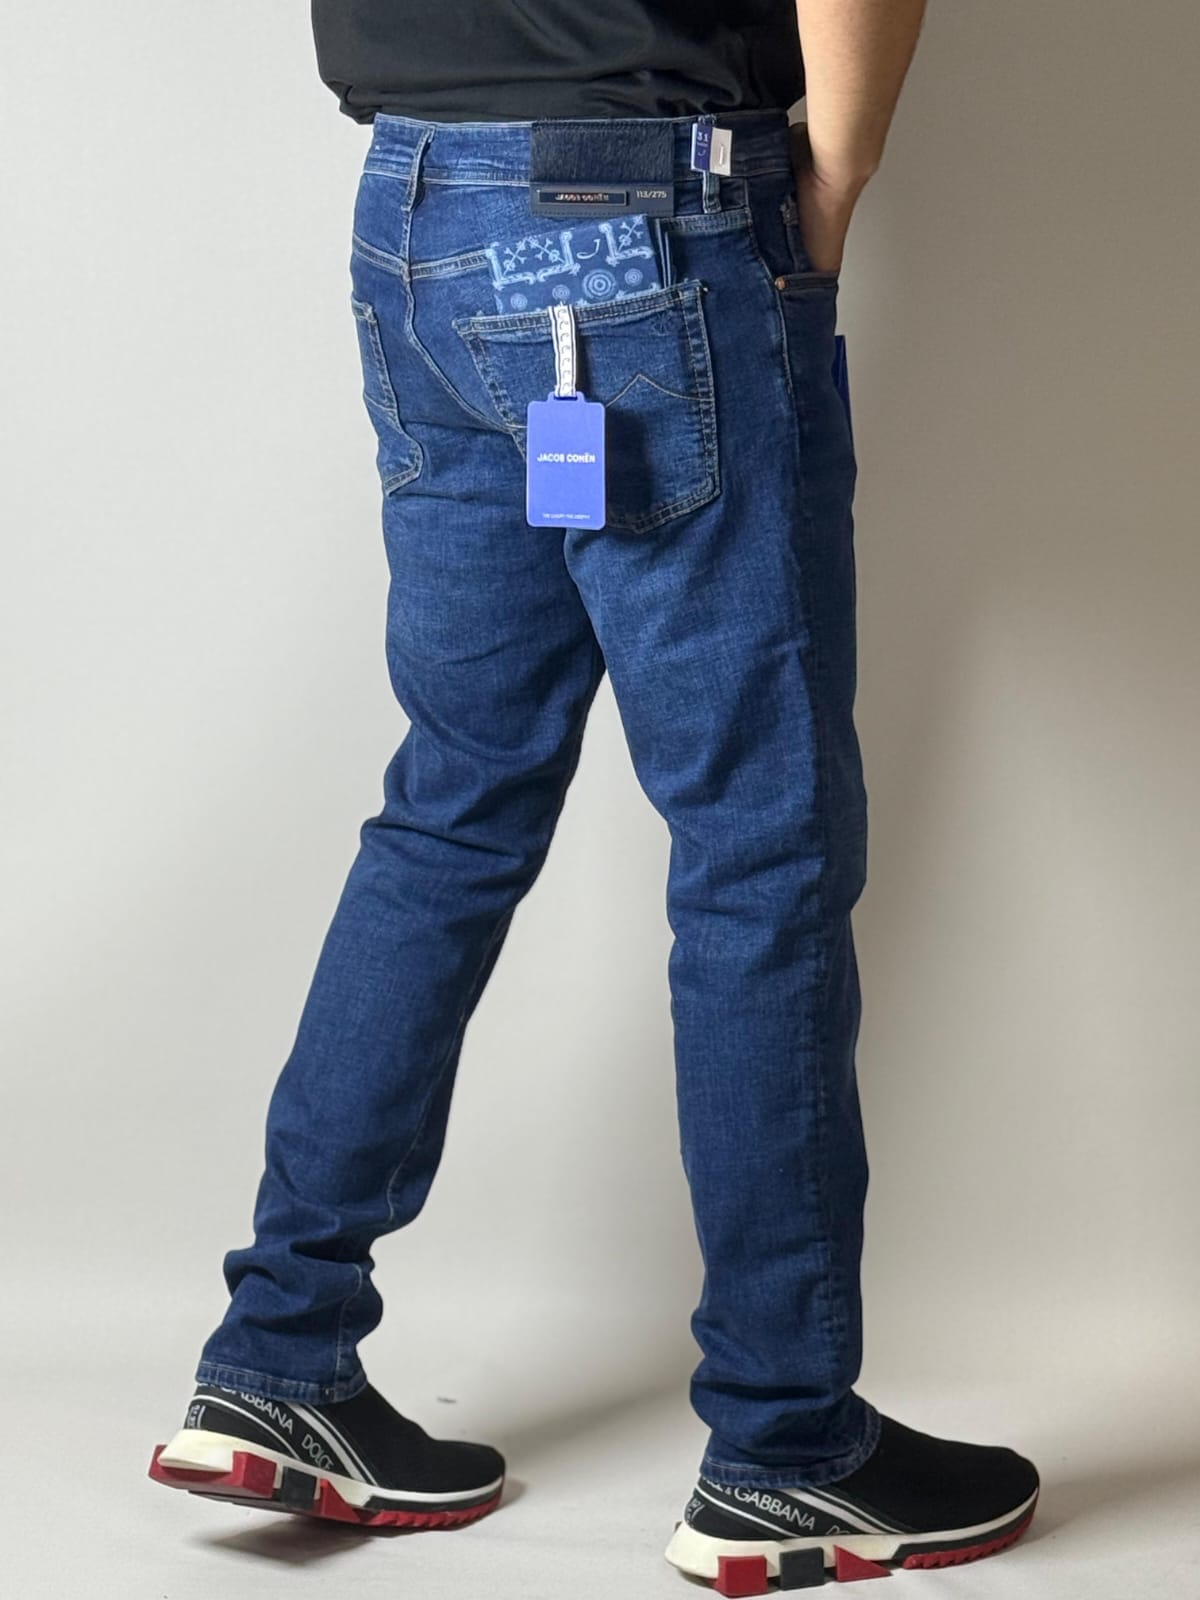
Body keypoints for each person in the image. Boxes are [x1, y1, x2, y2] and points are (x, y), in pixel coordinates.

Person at [149, 0, 1040, 1581]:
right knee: (760, 851)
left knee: (453, 803)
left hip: (418, 208)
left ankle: (279, 1352)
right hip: (647, 208)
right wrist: (825, 183)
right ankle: (787, 1445)